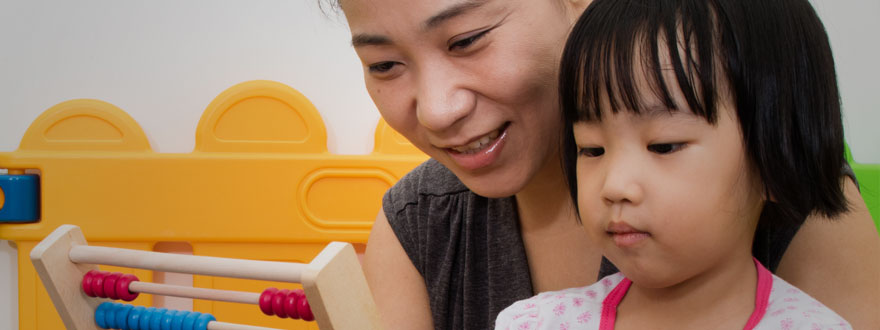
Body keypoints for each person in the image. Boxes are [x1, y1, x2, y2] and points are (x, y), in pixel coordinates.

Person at [331, 0, 880, 329]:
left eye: (467, 39)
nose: (437, 110)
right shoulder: (418, 224)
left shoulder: (793, 196)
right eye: (383, 64)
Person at [494, 0, 852, 328]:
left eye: (663, 146)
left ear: (776, 157)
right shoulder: (537, 322)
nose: (614, 186)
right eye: (592, 149)